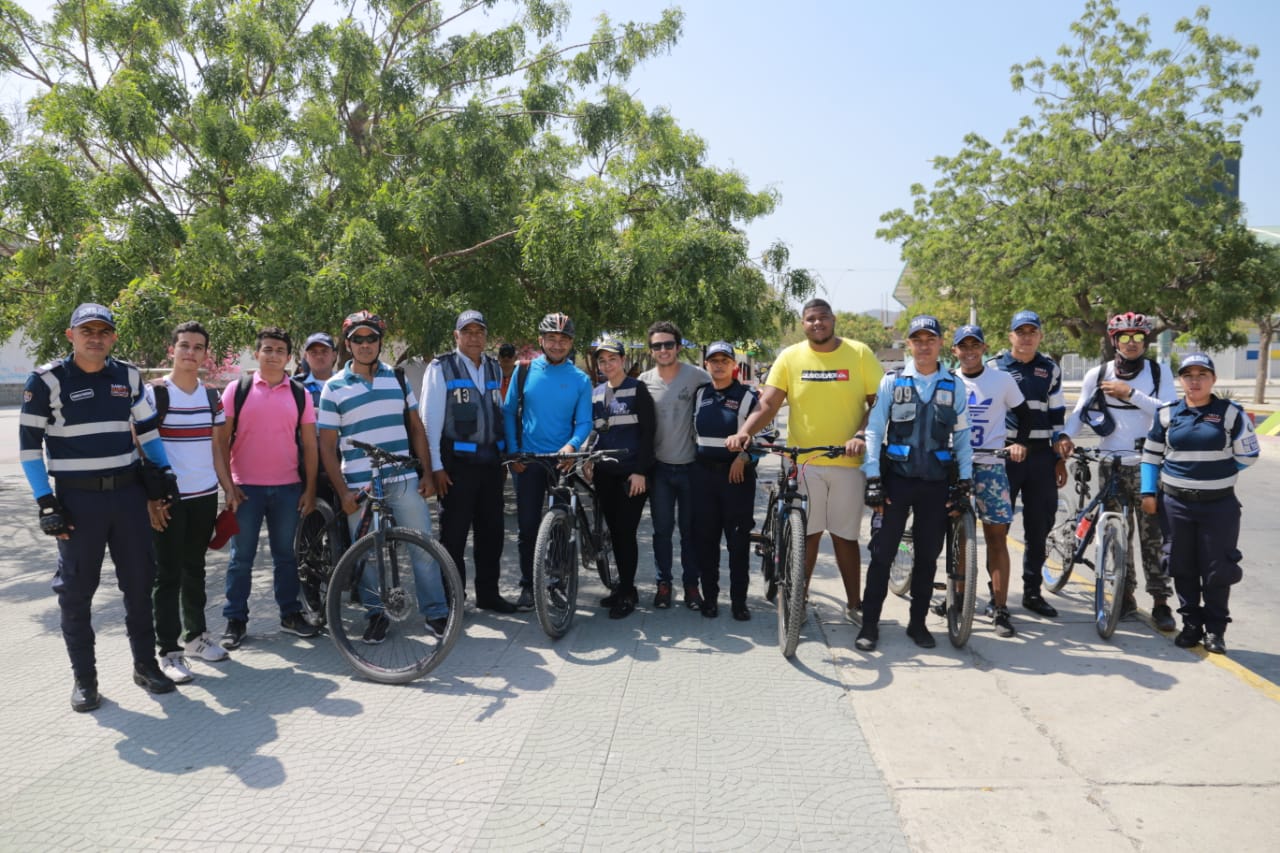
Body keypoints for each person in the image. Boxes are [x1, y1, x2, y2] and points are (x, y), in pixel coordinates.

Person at [20, 303, 183, 711]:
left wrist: (163, 476)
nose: (96, 337)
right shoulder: (46, 381)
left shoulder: (127, 376)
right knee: (76, 593)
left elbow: (147, 429)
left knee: (139, 584)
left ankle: (146, 666)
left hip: (127, 497)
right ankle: (85, 679)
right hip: (76, 502)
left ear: (113, 336)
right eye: (86, 330)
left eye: (103, 331)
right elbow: (28, 448)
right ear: (70, 335)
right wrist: (45, 502)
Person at [727, 298, 883, 623]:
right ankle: (798, 601)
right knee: (806, 535)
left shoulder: (859, 353)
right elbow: (768, 403)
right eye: (810, 319)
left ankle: (855, 604)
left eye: (822, 318)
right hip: (803, 463)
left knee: (844, 537)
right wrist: (745, 432)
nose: (817, 324)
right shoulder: (790, 356)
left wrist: (859, 435)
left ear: (833, 320)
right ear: (803, 324)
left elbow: (878, 403)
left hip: (847, 463)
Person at [319, 310, 450, 641]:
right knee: (367, 552)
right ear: (348, 345)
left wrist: (426, 472)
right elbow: (326, 446)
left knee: (422, 545)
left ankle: (436, 612)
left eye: (371, 338)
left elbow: (416, 428)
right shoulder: (333, 388)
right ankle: (376, 614)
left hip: (402, 476)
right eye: (358, 339)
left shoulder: (399, 377)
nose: (365, 345)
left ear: (380, 342)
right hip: (360, 484)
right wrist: (343, 493)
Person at [858, 315, 972, 652]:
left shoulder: (955, 385)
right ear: (908, 344)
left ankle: (917, 623)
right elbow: (875, 430)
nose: (924, 345)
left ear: (939, 344)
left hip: (936, 485)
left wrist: (965, 483)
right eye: (917, 339)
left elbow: (962, 438)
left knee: (927, 558)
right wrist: (873, 478)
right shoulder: (892, 382)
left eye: (930, 339)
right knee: (882, 554)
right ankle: (869, 624)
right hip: (896, 483)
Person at [1061, 312, 1178, 630]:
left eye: (1137, 337)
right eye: (1124, 337)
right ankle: (1124, 598)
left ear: (1145, 341)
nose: (1131, 343)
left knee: (1152, 537)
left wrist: (1130, 394)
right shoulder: (1098, 373)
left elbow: (1170, 412)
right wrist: (1065, 437)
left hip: (1148, 466)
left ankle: (1160, 602)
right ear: (1114, 340)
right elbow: (1079, 413)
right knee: (1116, 535)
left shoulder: (1157, 372)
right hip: (1111, 466)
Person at [1141, 354, 1258, 654]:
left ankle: (1216, 631)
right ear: (1181, 380)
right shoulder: (1167, 414)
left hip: (1219, 506)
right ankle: (1192, 625)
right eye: (1188, 375)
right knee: (1182, 566)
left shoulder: (1231, 414)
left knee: (1218, 569)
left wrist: (1219, 472)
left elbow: (1248, 454)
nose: (1195, 381)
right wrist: (1148, 493)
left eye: (1202, 374)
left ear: (1213, 380)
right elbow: (1151, 456)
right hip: (1176, 505)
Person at [145, 321, 238, 683]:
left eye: (198, 347)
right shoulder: (154, 394)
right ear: (172, 350)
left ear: (205, 354)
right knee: (166, 574)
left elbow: (217, 448)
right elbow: (141, 447)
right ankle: (168, 651)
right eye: (184, 345)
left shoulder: (212, 397)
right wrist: (152, 498)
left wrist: (227, 488)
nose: (190, 352)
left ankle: (196, 638)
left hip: (203, 496)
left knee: (194, 569)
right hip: (168, 500)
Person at [217, 327, 320, 649]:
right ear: (257, 352)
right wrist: (228, 485)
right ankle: (235, 619)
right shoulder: (238, 389)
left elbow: (310, 445)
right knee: (241, 559)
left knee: (286, 557)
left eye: (280, 351)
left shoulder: (300, 394)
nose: (273, 355)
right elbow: (220, 440)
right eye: (267, 349)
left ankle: (290, 614)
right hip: (246, 489)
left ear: (289, 358)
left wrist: (310, 489)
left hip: (288, 488)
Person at [421, 310, 516, 613]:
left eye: (479, 331)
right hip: (455, 467)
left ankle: (488, 595)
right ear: (456, 336)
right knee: (454, 536)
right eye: (468, 331)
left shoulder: (492, 367)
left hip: (490, 465)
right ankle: (454, 600)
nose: (474, 337)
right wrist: (435, 467)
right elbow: (430, 421)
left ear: (486, 336)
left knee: (492, 534)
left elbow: (498, 412)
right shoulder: (441, 367)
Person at [503, 312, 593, 611]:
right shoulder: (524, 370)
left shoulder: (580, 379)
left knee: (560, 528)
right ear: (541, 340)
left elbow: (584, 423)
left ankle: (556, 584)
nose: (557, 344)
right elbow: (508, 411)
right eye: (552, 338)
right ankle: (529, 586)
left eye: (564, 339)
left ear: (571, 343)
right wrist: (514, 452)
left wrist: (572, 446)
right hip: (528, 461)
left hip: (562, 463)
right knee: (528, 527)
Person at [989, 310, 1070, 619]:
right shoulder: (995, 367)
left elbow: (1056, 414)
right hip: (1004, 454)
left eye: (1031, 332)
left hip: (1040, 457)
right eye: (1019, 332)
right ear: (1010, 336)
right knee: (998, 527)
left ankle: (1032, 592)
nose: (1025, 337)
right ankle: (996, 595)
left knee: (1040, 526)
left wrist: (1059, 455)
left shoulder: (1050, 369)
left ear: (1040, 336)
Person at [950, 324, 1030, 638]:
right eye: (963, 346)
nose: (969, 351)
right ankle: (956, 597)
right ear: (954, 350)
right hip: (956, 467)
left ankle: (999, 607)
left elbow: (1025, 415)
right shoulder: (949, 380)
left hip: (992, 465)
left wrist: (1018, 443)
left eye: (975, 345)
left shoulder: (1002, 379)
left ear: (984, 348)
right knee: (958, 536)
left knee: (996, 537)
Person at [639, 321, 710, 609]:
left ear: (678, 347)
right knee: (662, 531)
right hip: (659, 470)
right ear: (651, 350)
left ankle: (692, 586)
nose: (663, 350)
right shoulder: (643, 382)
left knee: (690, 531)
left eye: (669, 344)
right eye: (657, 345)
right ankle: (664, 584)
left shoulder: (698, 377)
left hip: (692, 468)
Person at [586, 339, 656, 619]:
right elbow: (595, 431)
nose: (607, 365)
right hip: (605, 474)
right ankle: (621, 587)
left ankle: (627, 592)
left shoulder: (638, 390)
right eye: (602, 361)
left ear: (623, 360)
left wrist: (641, 471)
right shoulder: (596, 392)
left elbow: (649, 433)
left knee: (625, 533)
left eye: (612, 359)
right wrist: (589, 457)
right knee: (614, 533)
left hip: (631, 474)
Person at [692, 341, 760, 621]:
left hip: (737, 478)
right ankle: (709, 598)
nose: (719, 365)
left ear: (734, 365)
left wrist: (745, 457)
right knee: (705, 542)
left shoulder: (748, 397)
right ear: (706, 364)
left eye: (724, 360)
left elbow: (766, 436)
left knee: (737, 542)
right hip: (704, 477)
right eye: (713, 360)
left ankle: (739, 601)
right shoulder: (700, 395)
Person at [298, 332, 338, 407]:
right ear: (306, 357)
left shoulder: (347, 384)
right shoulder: (295, 386)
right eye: (314, 352)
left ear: (334, 355)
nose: (319, 356)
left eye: (324, 351)